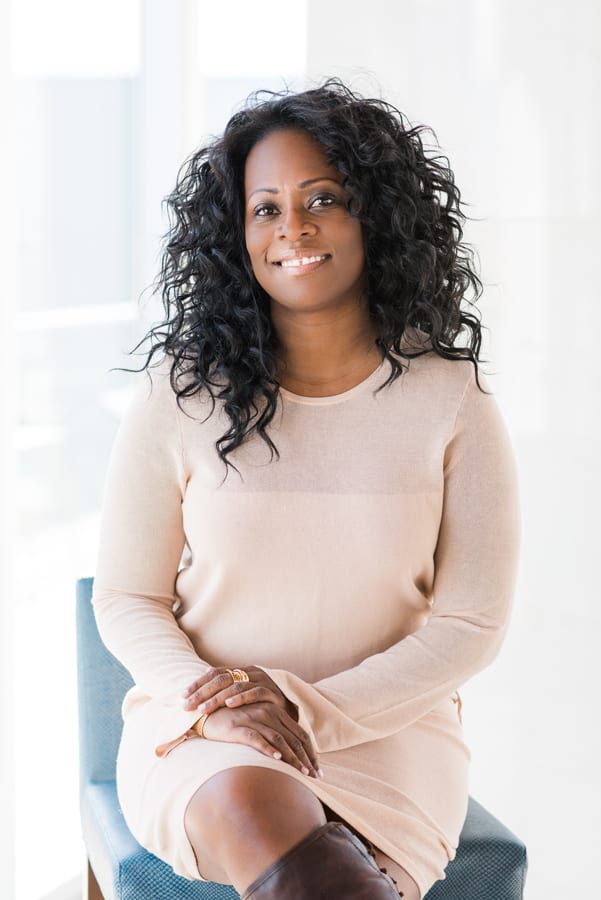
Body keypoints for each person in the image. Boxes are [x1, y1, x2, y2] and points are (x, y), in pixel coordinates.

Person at [91, 77, 521, 899]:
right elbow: (125, 598)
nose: (292, 226)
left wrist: (304, 708)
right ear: (235, 232)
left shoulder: (450, 399)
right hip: (206, 732)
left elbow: (470, 624)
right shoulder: (180, 396)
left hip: (390, 734)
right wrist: (212, 705)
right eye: (265, 207)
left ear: (376, 215)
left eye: (322, 197)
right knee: (255, 796)